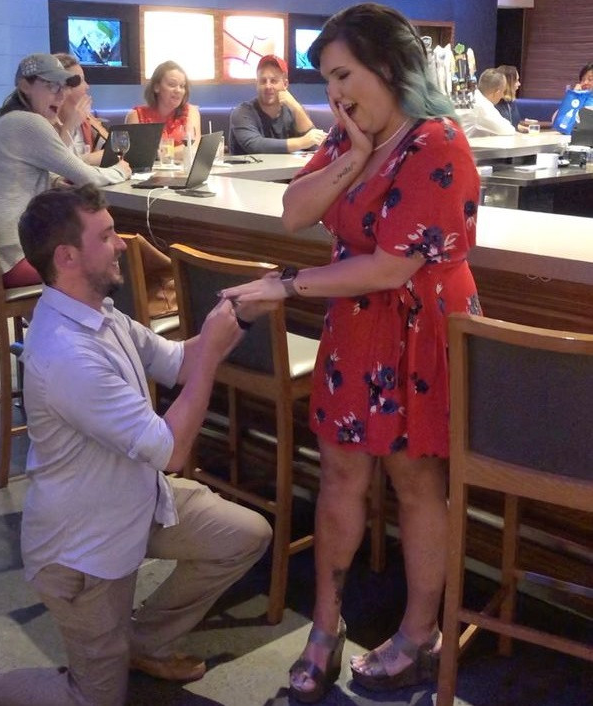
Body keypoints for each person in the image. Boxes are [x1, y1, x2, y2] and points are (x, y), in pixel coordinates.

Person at [220, 3, 482, 702]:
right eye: (328, 80)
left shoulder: (440, 143)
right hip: (357, 328)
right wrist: (356, 156)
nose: (334, 93)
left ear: (388, 66)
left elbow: (391, 266)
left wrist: (285, 285)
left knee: (416, 482)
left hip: (420, 328)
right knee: (339, 474)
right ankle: (325, 627)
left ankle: (418, 636)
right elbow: (293, 212)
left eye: (343, 75)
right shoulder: (350, 136)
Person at [0, 183, 272, 706]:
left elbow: (179, 362)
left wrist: (240, 313)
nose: (121, 244)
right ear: (67, 257)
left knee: (244, 535)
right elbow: (172, 450)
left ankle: (139, 643)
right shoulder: (68, 354)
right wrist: (210, 355)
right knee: (94, 700)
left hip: (136, 502)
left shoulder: (100, 314)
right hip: (82, 549)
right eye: (107, 235)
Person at [0, 53, 130, 288]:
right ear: (24, 86)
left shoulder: (1, 118)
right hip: (14, 261)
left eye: (63, 86)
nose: (61, 95)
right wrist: (121, 170)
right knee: (111, 263)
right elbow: (86, 177)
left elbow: (17, 174)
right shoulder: (27, 122)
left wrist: (53, 181)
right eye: (51, 86)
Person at [229, 54, 327, 155]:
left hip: (287, 166)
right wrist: (302, 142)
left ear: (285, 84)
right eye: (263, 81)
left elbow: (314, 144)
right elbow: (255, 145)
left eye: (273, 81)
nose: (268, 86)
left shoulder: (292, 110)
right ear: (257, 84)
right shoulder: (242, 112)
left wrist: (296, 107)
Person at [125, 60, 201, 162]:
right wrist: (175, 152)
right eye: (172, 85)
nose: (178, 90)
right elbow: (135, 156)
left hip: (183, 171)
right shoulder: (136, 116)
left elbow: (193, 149)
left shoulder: (191, 112)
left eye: (182, 86)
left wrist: (158, 154)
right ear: (156, 87)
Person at [54, 52, 110, 165]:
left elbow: (115, 149)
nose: (87, 86)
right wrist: (70, 125)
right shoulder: (42, 125)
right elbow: (56, 164)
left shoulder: (85, 121)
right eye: (81, 80)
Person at [458, 68, 516, 137]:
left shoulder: (472, 96)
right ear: (497, 92)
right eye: (503, 91)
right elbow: (508, 130)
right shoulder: (483, 107)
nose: (502, 95)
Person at [495, 65, 527, 130]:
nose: (519, 84)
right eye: (516, 81)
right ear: (507, 83)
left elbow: (513, 124)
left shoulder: (511, 102)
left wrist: (518, 127)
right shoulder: (494, 104)